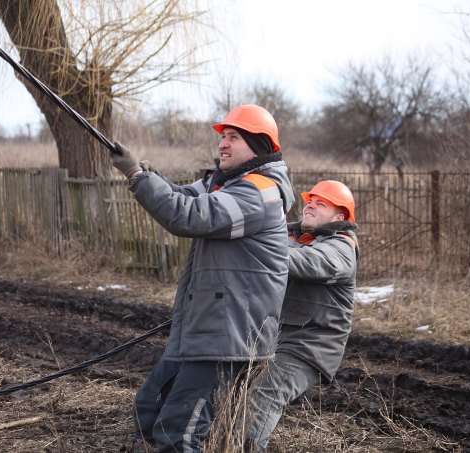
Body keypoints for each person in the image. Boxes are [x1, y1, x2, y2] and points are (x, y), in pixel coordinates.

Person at [108, 104, 295, 452]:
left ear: (258, 145)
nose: (223, 144)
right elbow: (183, 196)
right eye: (222, 136)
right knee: (149, 408)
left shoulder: (258, 193)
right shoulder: (225, 183)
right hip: (204, 330)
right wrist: (152, 179)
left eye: (234, 137)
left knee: (178, 432)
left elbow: (189, 216)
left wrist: (135, 175)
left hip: (228, 337)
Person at [244, 180, 359, 451]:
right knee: (231, 390)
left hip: (310, 344)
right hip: (275, 337)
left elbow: (309, 263)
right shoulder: (295, 236)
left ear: (339, 217)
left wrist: (262, 250)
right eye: (310, 200)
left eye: (322, 204)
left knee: (265, 394)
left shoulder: (341, 248)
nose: (311, 205)